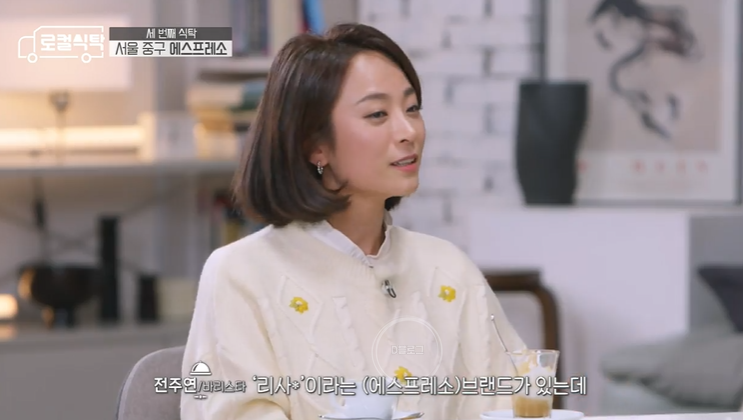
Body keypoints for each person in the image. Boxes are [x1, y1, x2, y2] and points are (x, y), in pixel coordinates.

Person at [181, 23, 527, 420]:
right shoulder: (241, 274)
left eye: (412, 109)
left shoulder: (448, 268)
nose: (408, 131)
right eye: (378, 114)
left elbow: (515, 403)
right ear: (315, 146)